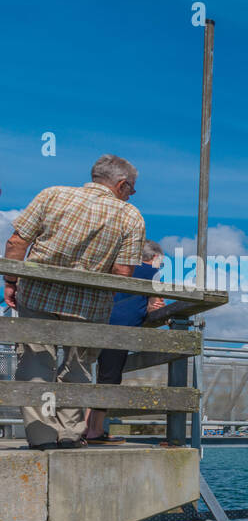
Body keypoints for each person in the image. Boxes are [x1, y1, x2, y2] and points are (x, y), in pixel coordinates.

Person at [3, 155, 145, 449]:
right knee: (78, 368)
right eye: (132, 189)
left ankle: (42, 437)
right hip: (90, 306)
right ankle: (69, 435)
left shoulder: (51, 194)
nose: (131, 195)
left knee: (34, 362)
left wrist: (11, 282)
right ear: (122, 184)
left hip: (38, 294)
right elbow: (122, 272)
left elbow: (16, 243)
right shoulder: (130, 216)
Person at [85, 240, 166, 443]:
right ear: (155, 258)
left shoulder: (120, 269)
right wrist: (157, 307)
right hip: (119, 330)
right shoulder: (152, 274)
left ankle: (83, 427)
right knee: (109, 379)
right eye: (161, 262)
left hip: (96, 323)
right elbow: (152, 306)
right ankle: (95, 430)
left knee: (87, 375)